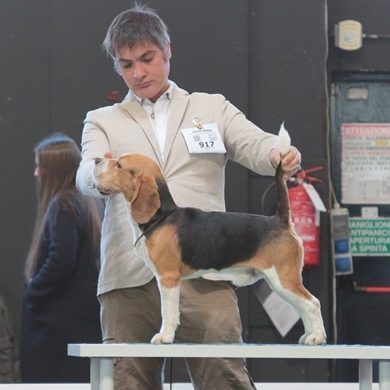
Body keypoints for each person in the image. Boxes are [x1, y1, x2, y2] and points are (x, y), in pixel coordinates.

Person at [76, 4, 302, 390]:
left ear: (168, 50)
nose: (138, 72)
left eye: (146, 59)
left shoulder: (211, 107)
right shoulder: (102, 119)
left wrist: (276, 154)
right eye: (126, 64)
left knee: (224, 378)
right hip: (128, 279)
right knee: (128, 382)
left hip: (205, 269)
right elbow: (86, 171)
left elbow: (253, 142)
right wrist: (97, 176)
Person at [20, 133, 103, 383]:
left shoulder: (63, 204)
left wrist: (33, 292)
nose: (36, 173)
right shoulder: (87, 202)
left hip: (57, 322)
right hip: (81, 318)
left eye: (39, 166)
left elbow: (61, 259)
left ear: (54, 170)